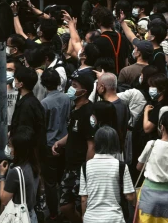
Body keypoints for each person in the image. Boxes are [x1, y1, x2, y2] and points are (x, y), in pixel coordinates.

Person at [53, 72, 98, 223]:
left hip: (80, 168)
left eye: (74, 86)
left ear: (84, 92)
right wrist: (59, 143)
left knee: (79, 206)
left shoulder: (89, 113)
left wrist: (87, 170)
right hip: (69, 166)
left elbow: (91, 145)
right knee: (65, 205)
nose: (71, 89)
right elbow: (72, 134)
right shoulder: (75, 110)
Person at [80, 126, 135, 223]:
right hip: (114, 218)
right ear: (115, 143)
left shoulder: (85, 166)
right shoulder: (121, 166)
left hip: (91, 218)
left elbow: (84, 199)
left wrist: (84, 216)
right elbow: (130, 197)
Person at [40, 68, 70, 223]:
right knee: (62, 178)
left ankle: (53, 213)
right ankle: (65, 207)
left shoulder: (44, 103)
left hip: (49, 144)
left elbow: (42, 126)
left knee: (50, 182)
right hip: (65, 142)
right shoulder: (66, 98)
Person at [0, 126, 41, 223]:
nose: (8, 148)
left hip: (19, 218)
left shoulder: (16, 172)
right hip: (31, 216)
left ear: (18, 149)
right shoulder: (33, 165)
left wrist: (1, 176)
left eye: (10, 145)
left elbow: (4, 200)